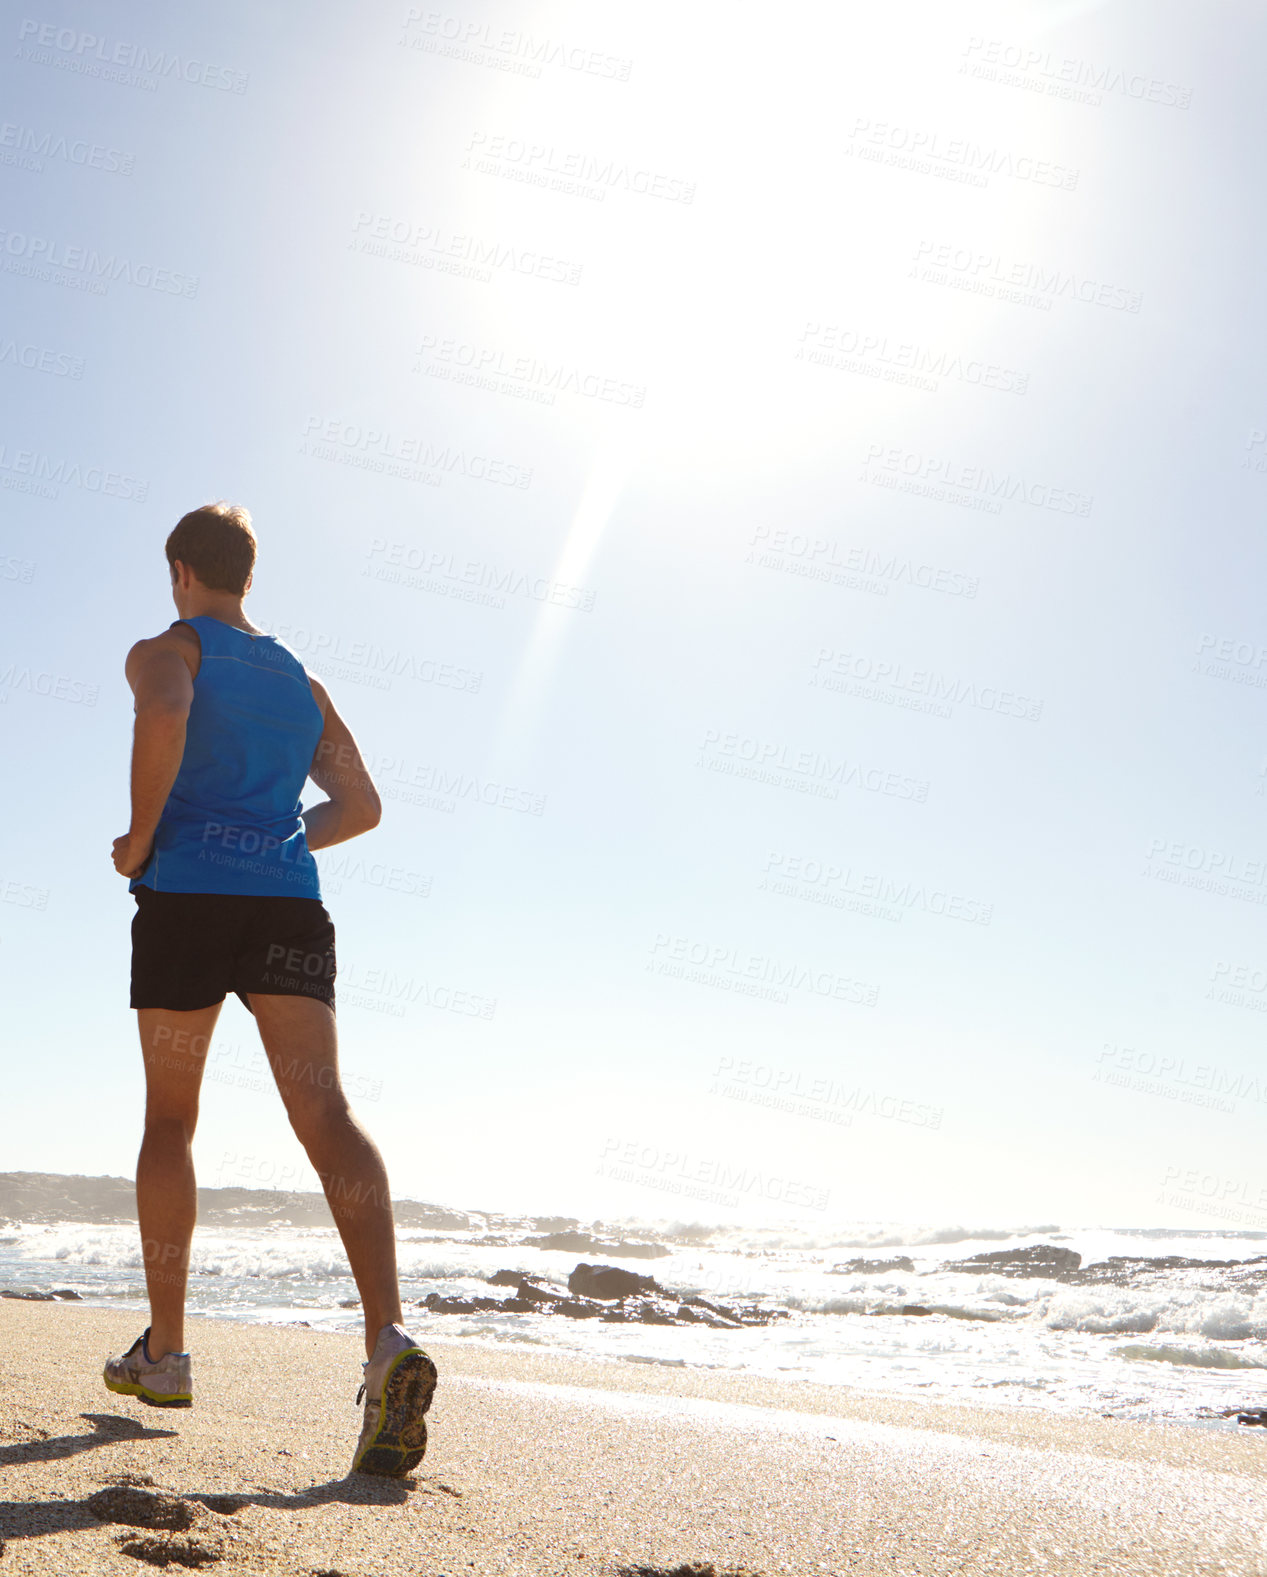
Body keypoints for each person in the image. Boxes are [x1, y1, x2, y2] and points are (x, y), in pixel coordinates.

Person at [102, 501, 436, 1476]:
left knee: (172, 1120)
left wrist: (138, 834)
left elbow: (163, 710)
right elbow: (361, 805)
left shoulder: (170, 647)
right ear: (246, 573)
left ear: (180, 569)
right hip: (288, 907)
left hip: (186, 899)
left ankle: (164, 1353)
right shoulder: (301, 680)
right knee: (325, 1111)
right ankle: (386, 1338)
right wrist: (282, 837)